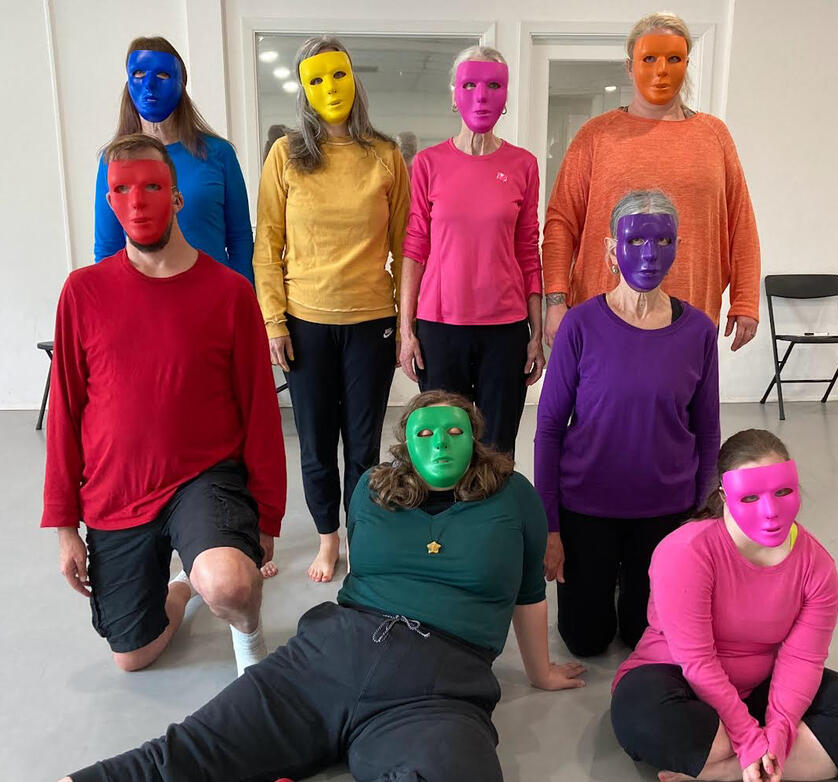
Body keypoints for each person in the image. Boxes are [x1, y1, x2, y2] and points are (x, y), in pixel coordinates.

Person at [58, 391, 586, 782]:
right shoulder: (371, 489)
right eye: (425, 433)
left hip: (439, 687)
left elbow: (527, 592)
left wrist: (539, 672)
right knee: (180, 757)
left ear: (475, 437)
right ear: (405, 443)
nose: (441, 444)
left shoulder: (514, 495)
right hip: (329, 655)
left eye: (454, 432)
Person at [44, 134, 286, 677]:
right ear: (110, 201)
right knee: (133, 655)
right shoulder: (82, 293)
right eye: (123, 190)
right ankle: (181, 588)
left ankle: (249, 642)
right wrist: (64, 526)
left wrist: (267, 515)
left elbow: (260, 412)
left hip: (204, 478)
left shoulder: (228, 292)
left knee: (230, 583)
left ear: (176, 199)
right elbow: (65, 412)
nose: (137, 202)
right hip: (117, 491)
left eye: (152, 187)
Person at [610, 429, 838, 782]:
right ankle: (757, 757)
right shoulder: (685, 553)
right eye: (750, 498)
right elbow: (696, 659)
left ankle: (726, 772)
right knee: (650, 721)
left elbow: (802, 659)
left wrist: (777, 733)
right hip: (675, 675)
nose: (771, 512)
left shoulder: (817, 566)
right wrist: (747, 737)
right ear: (724, 496)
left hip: (761, 684)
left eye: (783, 492)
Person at [253, 35, 410, 583]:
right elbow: (266, 244)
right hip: (306, 322)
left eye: (337, 76)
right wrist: (273, 320)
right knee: (318, 443)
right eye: (316, 80)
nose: (329, 88)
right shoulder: (285, 156)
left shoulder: (386, 156)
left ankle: (362, 531)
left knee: (363, 444)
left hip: (370, 323)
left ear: (354, 80)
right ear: (304, 89)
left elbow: (402, 248)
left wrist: (402, 323)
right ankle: (327, 539)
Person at [536, 189, 719, 656]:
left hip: (665, 510)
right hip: (588, 507)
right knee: (585, 640)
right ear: (611, 249)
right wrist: (550, 527)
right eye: (636, 241)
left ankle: (629, 580)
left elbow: (708, 428)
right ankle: (608, 578)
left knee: (644, 637)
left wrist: (700, 518)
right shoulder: (579, 325)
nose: (650, 255)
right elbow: (551, 429)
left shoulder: (698, 331)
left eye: (663, 241)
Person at [542, 12, 760, 352]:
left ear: (687, 63)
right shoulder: (596, 135)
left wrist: (745, 300)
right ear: (630, 67)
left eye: (674, 59)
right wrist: (555, 300)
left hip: (691, 314)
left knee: (684, 406)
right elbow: (561, 223)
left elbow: (741, 223)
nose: (662, 70)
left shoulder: (714, 135)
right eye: (649, 59)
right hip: (605, 315)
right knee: (601, 405)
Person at [399, 45, 544, 455]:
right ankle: (447, 518)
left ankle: (493, 519)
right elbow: (415, 248)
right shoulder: (428, 163)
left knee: (498, 445)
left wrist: (536, 336)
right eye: (470, 85)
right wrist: (407, 331)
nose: (481, 96)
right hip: (441, 327)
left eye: (494, 85)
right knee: (444, 443)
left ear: (505, 96)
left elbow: (527, 250)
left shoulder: (523, 165)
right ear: (454, 93)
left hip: (505, 329)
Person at [94, 36, 255, 285]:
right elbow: (107, 250)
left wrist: (244, 302)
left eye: (162, 76)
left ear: (181, 83)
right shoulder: (112, 162)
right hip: (144, 304)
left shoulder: (218, 154)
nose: (149, 86)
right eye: (138, 73)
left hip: (212, 299)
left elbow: (240, 240)